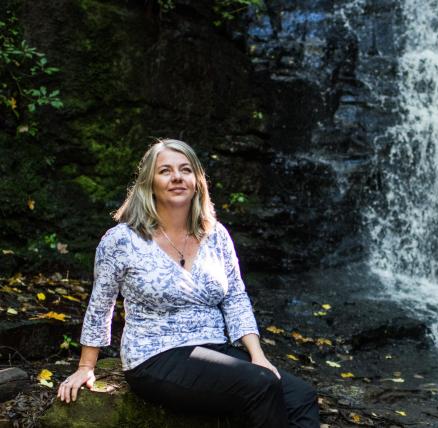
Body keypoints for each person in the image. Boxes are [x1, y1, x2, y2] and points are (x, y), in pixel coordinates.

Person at [56, 139, 319, 427]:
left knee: (300, 396)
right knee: (260, 385)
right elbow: (101, 303)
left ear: (197, 181)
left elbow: (235, 298)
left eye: (185, 170)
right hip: (155, 355)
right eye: (165, 171)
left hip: (216, 349)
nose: (177, 177)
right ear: (149, 183)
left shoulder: (215, 234)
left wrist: (258, 356)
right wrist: (85, 366)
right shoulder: (122, 240)